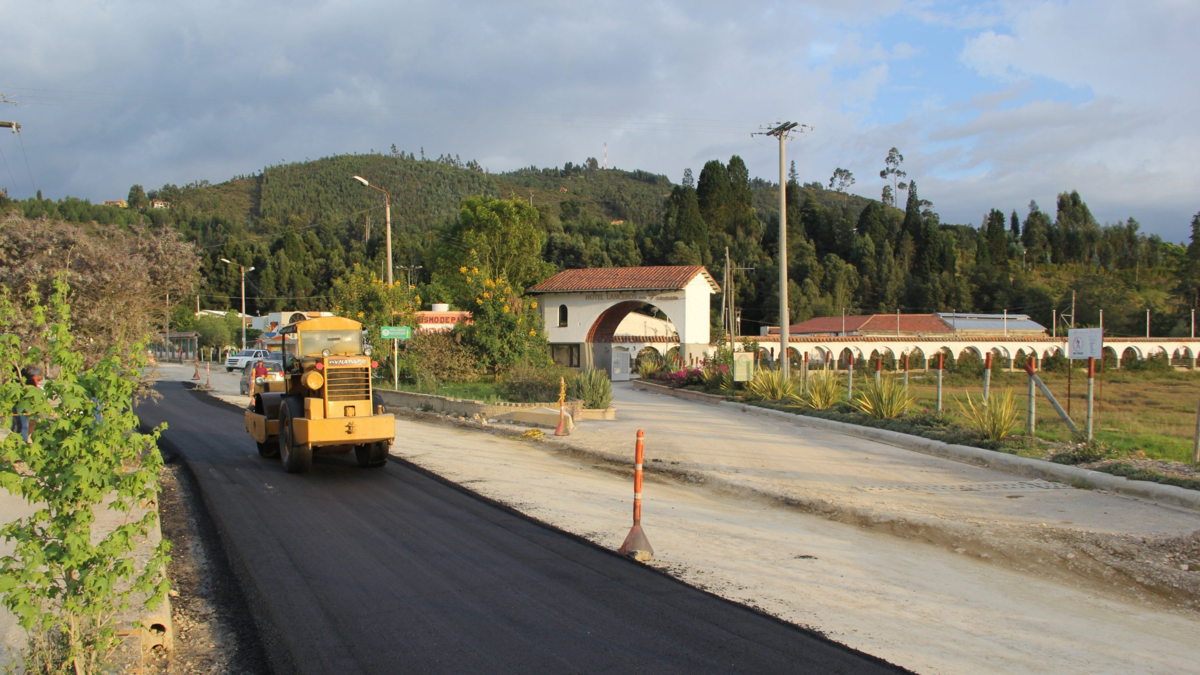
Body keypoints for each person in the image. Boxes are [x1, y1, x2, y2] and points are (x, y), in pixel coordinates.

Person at [11, 365, 44, 443]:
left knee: (20, 425)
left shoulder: (16, 381)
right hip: (27, 405)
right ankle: (23, 441)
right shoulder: (30, 381)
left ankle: (18, 441)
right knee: (26, 425)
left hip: (19, 404)